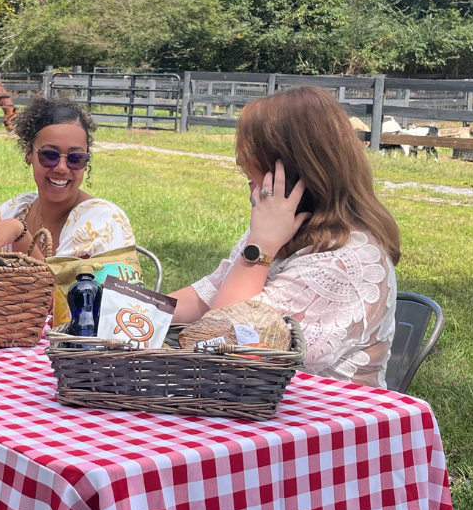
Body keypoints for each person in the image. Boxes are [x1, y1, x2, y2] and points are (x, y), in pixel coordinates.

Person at [168, 86, 400, 387]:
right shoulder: (278, 231)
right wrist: (123, 308)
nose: (249, 185)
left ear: (292, 173)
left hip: (319, 427)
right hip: (254, 411)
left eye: (255, 172)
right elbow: (207, 295)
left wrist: (260, 249)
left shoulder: (344, 264)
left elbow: (226, 341)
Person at [0, 96, 135, 261]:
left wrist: (21, 236)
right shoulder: (17, 209)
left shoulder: (103, 222)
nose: (62, 168)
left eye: (75, 157)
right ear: (29, 153)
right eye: (49, 155)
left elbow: (64, 286)